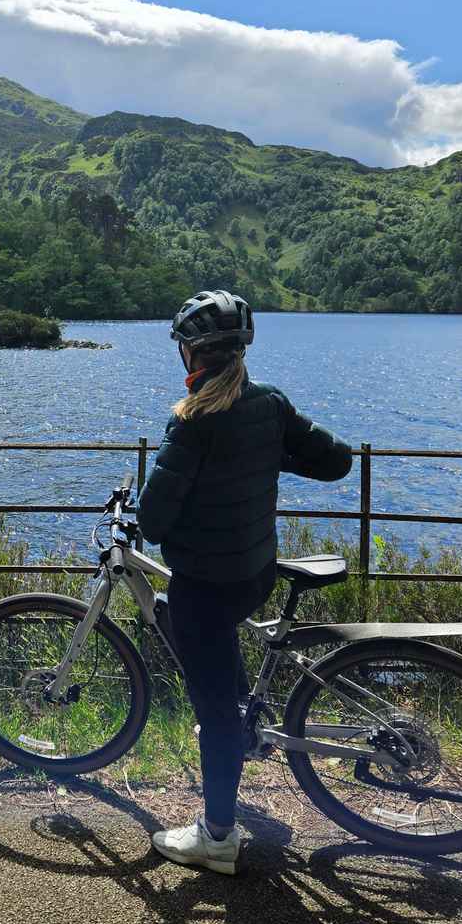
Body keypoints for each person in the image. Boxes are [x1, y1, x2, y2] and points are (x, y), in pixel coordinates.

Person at [136, 289, 351, 875]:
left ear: (192, 356)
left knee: (214, 711)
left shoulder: (193, 423)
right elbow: (337, 461)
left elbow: (154, 522)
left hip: (206, 584)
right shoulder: (270, 404)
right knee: (208, 650)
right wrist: (264, 452)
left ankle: (218, 837)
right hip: (253, 575)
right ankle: (242, 724)